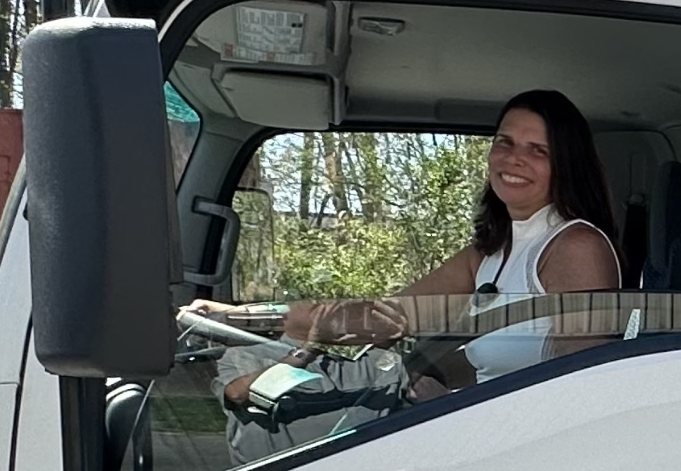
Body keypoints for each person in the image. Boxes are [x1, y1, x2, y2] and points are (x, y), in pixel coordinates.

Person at [190, 91, 622, 405]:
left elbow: (577, 390)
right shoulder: (493, 251)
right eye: (504, 143)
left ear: (565, 164)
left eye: (538, 150)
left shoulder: (575, 247)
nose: (513, 159)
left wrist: (452, 402)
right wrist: (239, 316)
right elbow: (380, 317)